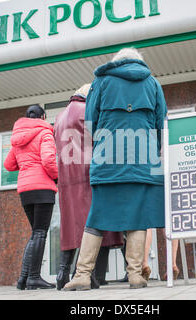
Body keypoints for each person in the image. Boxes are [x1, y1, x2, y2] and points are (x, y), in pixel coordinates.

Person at [64, 48, 168, 291]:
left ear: (115, 62)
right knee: (138, 215)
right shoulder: (153, 83)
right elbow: (160, 123)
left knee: (98, 214)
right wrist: (153, 150)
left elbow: (90, 122)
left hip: (107, 157)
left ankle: (82, 275)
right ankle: (134, 275)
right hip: (143, 158)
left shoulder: (100, 82)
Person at [54, 84, 123, 290]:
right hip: (88, 174)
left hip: (66, 178)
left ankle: (62, 274)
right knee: (95, 223)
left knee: (71, 226)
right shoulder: (88, 111)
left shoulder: (58, 118)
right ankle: (94, 275)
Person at [4, 104, 58, 290]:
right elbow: (49, 160)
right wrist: (57, 177)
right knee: (40, 232)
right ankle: (34, 277)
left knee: (35, 232)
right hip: (43, 187)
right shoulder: (45, 133)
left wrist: (26, 163)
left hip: (25, 189)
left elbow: (9, 164)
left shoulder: (18, 138)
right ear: (43, 117)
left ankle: (23, 278)